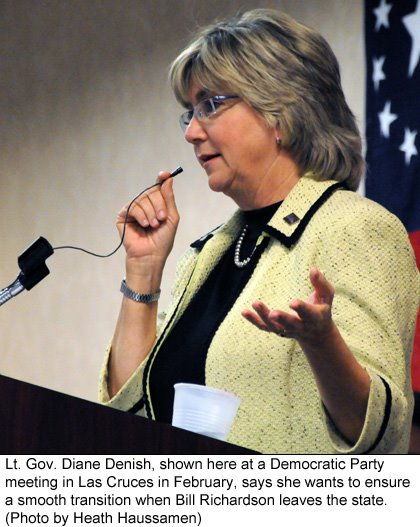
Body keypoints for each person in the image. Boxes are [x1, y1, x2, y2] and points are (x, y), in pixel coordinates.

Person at [99, 9, 420, 454]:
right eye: (189, 113)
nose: (191, 132)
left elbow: (383, 436)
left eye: (211, 105)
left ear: (281, 113)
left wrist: (322, 343)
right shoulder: (207, 255)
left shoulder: (356, 227)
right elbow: (127, 419)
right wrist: (143, 269)